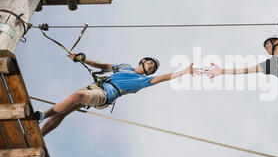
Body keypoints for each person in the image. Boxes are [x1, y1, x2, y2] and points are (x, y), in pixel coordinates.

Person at [35, 53, 199, 137]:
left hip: (105, 95)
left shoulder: (142, 81)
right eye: (150, 63)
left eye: (153, 67)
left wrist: (184, 71)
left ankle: (43, 114)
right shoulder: (124, 66)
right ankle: (40, 135)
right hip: (96, 87)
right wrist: (82, 59)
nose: (151, 67)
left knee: (78, 96)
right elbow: (103, 65)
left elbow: (163, 78)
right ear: (142, 60)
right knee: (65, 111)